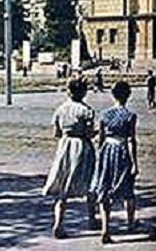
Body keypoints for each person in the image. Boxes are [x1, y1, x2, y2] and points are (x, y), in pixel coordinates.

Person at [42, 77, 97, 239]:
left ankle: (59, 223)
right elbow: (89, 133)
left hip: (65, 146)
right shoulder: (86, 110)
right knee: (89, 182)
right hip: (82, 146)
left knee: (64, 185)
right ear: (84, 92)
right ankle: (92, 219)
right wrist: (98, 132)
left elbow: (57, 133)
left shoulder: (60, 109)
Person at [90, 81, 139, 244]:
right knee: (128, 188)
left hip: (107, 151)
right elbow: (131, 140)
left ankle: (105, 229)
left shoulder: (104, 114)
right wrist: (135, 163)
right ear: (128, 95)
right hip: (122, 150)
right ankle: (130, 223)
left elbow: (101, 139)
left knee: (105, 189)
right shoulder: (130, 116)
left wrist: (100, 157)